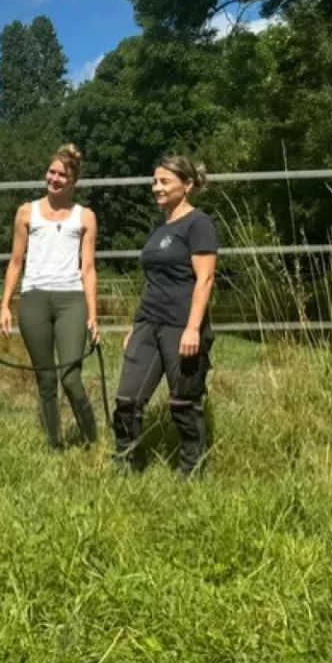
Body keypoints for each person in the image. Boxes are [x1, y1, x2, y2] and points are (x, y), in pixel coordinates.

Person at [112, 155, 218, 476]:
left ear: (186, 185)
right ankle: (128, 465)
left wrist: (192, 329)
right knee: (127, 400)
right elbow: (153, 280)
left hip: (181, 324)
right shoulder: (160, 228)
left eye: (164, 182)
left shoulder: (199, 224)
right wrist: (136, 326)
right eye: (154, 181)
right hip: (149, 322)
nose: (156, 188)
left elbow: (205, 279)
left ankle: (192, 471)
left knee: (184, 403)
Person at [0, 144, 99, 450]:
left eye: (62, 175)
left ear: (73, 181)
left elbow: (89, 268)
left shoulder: (85, 217)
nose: (54, 179)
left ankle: (93, 440)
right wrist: (5, 303)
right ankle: (55, 445)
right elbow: (16, 261)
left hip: (72, 300)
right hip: (34, 299)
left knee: (70, 377)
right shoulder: (27, 212)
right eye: (51, 172)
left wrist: (93, 314)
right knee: (46, 380)